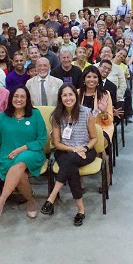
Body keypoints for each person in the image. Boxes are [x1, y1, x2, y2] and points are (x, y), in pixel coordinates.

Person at [41, 84, 98, 226]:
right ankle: (81, 210)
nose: (68, 98)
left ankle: (51, 198)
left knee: (69, 162)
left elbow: (94, 138)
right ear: (60, 98)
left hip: (86, 150)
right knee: (71, 165)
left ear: (76, 96)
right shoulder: (56, 116)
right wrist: (73, 149)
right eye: (64, 95)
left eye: (71, 94)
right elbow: (57, 143)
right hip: (65, 151)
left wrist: (84, 148)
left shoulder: (86, 112)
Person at [0, 86, 47, 219]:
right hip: (7, 155)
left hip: (32, 152)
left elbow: (42, 139)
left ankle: (1, 201)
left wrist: (22, 149)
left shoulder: (35, 114)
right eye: (16, 96)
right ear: (11, 98)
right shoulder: (4, 116)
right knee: (20, 173)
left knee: (21, 160)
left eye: (22, 97)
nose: (19, 99)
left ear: (27, 99)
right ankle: (31, 201)